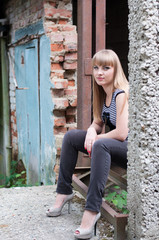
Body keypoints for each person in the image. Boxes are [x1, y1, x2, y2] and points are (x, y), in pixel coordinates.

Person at [46, 49, 129, 239]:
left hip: (129, 149)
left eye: (106, 68)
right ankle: (63, 193)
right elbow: (98, 123)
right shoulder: (102, 92)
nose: (100, 72)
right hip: (112, 144)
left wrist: (96, 138)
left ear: (116, 69)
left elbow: (122, 133)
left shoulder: (121, 93)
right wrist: (92, 131)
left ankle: (92, 211)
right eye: (96, 68)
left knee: (100, 145)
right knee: (71, 136)